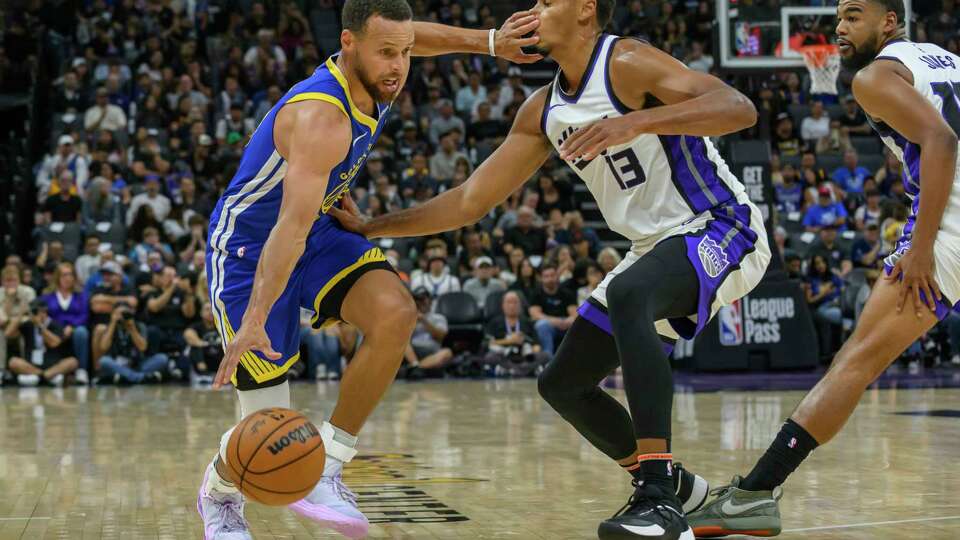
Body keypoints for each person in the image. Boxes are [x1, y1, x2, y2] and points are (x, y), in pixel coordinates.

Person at [329, 0, 770, 535]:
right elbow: (470, 200)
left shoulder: (627, 62)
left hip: (720, 224)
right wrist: (375, 225)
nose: (534, 9)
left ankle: (656, 496)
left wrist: (634, 122)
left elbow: (738, 107)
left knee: (632, 294)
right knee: (563, 383)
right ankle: (692, 495)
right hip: (650, 246)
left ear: (586, 11)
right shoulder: (542, 110)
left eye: (547, 1)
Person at [196, 1, 540, 537]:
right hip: (251, 246)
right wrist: (258, 315)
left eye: (404, 54)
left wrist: (491, 41)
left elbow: (413, 36)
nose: (399, 65)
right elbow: (286, 230)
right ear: (348, 44)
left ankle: (328, 465)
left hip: (319, 230)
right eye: (387, 53)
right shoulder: (322, 117)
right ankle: (219, 495)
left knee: (395, 314)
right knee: (265, 429)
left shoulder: (380, 67)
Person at [686, 1, 960, 536]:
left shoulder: (874, 77)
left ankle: (754, 497)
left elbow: (942, 140)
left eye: (854, 14)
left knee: (853, 364)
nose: (838, 27)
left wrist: (922, 246)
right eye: (838, 15)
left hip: (948, 227)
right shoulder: (945, 59)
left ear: (890, 20)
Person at [39, 262, 91, 385]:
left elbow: (84, 315)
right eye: (64, 275)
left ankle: (82, 370)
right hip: (54, 330)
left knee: (81, 332)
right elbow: (43, 315)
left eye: (71, 275)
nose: (68, 278)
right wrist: (58, 328)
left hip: (74, 329)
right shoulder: (47, 295)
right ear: (57, 277)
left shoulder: (81, 295)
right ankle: (51, 371)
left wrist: (71, 326)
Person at [7, 300, 78, 386]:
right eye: (34, 312)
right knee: (13, 362)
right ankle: (46, 377)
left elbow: (54, 343)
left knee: (72, 362)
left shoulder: (55, 324)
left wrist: (40, 325)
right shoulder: (28, 324)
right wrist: (20, 315)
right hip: (31, 364)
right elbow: (8, 334)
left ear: (45, 312)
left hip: (52, 363)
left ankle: (39, 377)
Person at [94, 302, 167, 385]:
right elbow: (104, 347)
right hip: (118, 365)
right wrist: (113, 322)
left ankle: (126, 377)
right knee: (104, 361)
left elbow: (143, 347)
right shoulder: (111, 326)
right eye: (119, 314)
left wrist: (132, 329)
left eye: (125, 313)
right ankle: (142, 378)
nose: (122, 316)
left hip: (138, 364)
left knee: (162, 358)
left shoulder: (139, 326)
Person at [527, 262, 576, 355]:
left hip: (565, 323)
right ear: (541, 278)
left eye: (552, 275)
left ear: (557, 276)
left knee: (579, 324)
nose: (550, 279)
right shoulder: (536, 293)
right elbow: (535, 314)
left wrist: (568, 321)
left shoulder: (567, 293)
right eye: (546, 276)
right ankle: (547, 357)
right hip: (548, 323)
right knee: (542, 325)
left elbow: (574, 314)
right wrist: (554, 321)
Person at [404, 287, 454, 376]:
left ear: (430, 301)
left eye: (423, 299)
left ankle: (415, 368)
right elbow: (403, 337)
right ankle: (415, 365)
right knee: (403, 342)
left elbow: (440, 336)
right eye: (418, 300)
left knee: (447, 352)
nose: (420, 302)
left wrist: (424, 320)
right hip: (413, 350)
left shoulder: (439, 318)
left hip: (432, 350)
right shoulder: (409, 317)